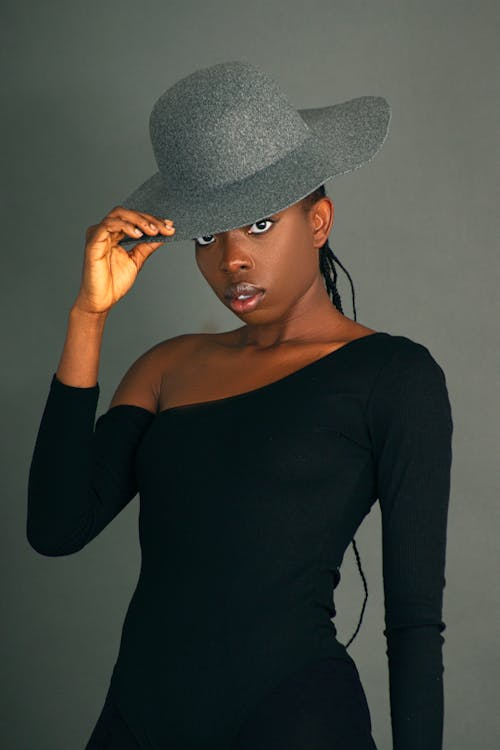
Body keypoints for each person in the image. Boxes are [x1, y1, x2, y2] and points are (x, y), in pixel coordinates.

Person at [26, 62, 453, 750]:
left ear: (317, 221)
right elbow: (55, 527)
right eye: (207, 234)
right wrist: (88, 315)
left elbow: (413, 620)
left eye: (259, 223)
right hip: (139, 719)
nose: (232, 259)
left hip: (294, 719)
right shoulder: (167, 368)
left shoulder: (394, 377)